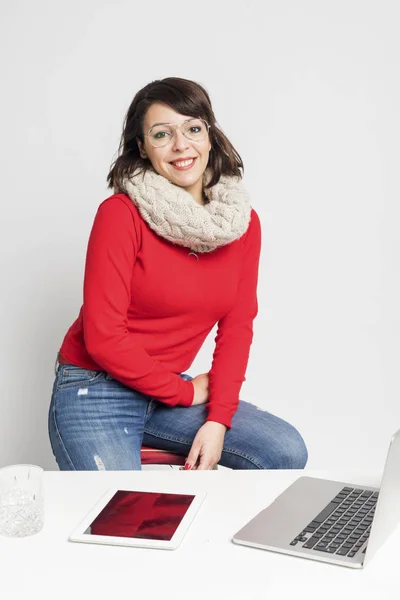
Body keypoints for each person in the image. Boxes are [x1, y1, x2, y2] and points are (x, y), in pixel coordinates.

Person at [48, 77, 308, 471]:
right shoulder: (121, 215)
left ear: (209, 136)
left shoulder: (241, 224)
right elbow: (103, 337)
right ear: (143, 148)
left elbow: (237, 327)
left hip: (166, 389)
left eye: (192, 128)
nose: (181, 145)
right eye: (161, 134)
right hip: (95, 389)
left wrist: (219, 418)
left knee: (284, 450)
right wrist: (183, 393)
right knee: (120, 516)